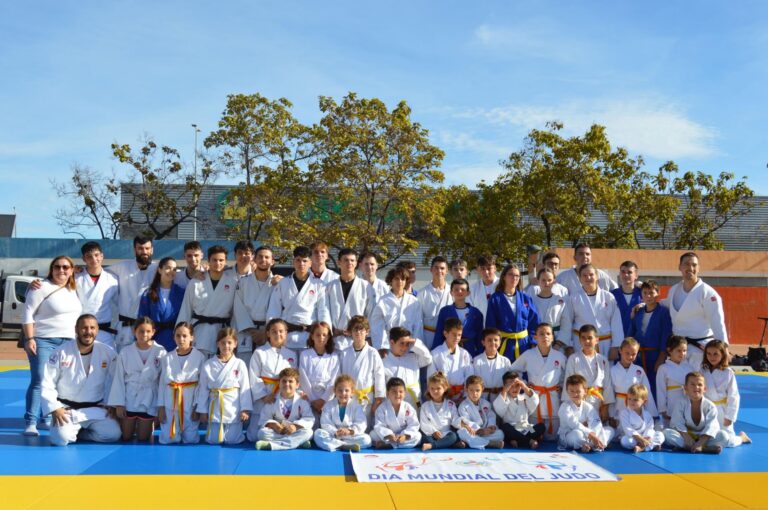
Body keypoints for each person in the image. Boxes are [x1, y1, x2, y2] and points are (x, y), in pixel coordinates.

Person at [22, 255, 83, 436]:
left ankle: (46, 417)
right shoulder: (40, 287)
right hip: (43, 340)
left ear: (72, 270)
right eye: (57, 267)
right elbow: (27, 314)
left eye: (66, 267)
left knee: (59, 382)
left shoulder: (74, 289)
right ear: (51, 269)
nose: (61, 270)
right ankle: (31, 421)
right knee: (39, 379)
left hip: (69, 341)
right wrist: (30, 339)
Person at [40, 314, 121, 446]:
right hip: (67, 409)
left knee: (113, 435)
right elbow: (47, 382)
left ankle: (81, 434)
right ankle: (71, 431)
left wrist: (113, 403)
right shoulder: (61, 352)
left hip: (95, 408)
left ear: (97, 330)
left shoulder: (107, 352)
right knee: (60, 440)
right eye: (84, 328)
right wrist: (55, 408)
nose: (88, 332)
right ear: (76, 329)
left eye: (92, 328)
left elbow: (117, 380)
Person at [663, 252, 728, 369]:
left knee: (698, 385)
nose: (690, 268)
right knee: (675, 384)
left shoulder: (708, 293)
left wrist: (724, 349)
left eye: (694, 265)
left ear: (699, 268)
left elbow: (717, 322)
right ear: (680, 267)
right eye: (686, 264)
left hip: (700, 350)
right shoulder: (673, 290)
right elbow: (664, 305)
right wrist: (644, 304)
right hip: (677, 349)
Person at [108, 317, 166, 441]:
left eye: (148, 331)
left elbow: (162, 382)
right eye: (141, 331)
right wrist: (119, 404)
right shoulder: (125, 352)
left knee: (143, 438)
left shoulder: (160, 352)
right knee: (126, 436)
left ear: (153, 332)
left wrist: (161, 406)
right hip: (130, 398)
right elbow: (119, 379)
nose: (144, 334)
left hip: (149, 399)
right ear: (135, 332)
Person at [177, 245, 238, 358]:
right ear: (208, 261)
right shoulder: (196, 282)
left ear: (225, 262)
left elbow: (235, 312)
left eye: (221, 260)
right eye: (214, 260)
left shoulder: (232, 283)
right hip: (199, 331)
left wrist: (233, 334)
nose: (218, 263)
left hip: (222, 331)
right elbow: (186, 309)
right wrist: (181, 334)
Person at [266, 246, 331, 351]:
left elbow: (324, 311)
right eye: (298, 260)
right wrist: (273, 333)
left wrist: (324, 334)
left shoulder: (319, 285)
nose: (301, 264)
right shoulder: (283, 283)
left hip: (310, 337)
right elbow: (274, 309)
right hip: (287, 336)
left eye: (305, 261)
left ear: (310, 263)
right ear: (293, 262)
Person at [510, 323, 567, 438]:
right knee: (534, 435)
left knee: (553, 439)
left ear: (552, 337)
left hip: (553, 398)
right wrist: (524, 385)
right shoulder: (528, 355)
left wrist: (560, 386)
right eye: (541, 334)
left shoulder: (559, 356)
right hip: (534, 398)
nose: (545, 336)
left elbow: (567, 375)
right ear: (535, 337)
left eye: (548, 334)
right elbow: (514, 370)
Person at [196, 328, 252, 445]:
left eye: (229, 342)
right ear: (217, 344)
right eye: (223, 343)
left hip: (234, 407)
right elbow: (203, 390)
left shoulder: (239, 364)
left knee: (233, 440)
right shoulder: (209, 364)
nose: (226, 346)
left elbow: (245, 388)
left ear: (236, 344)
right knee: (214, 440)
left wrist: (245, 409)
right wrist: (202, 411)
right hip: (215, 405)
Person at [246, 318, 297, 442]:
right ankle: (282, 438)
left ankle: (282, 435)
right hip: (264, 397)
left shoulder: (291, 354)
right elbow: (254, 377)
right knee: (254, 436)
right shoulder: (259, 352)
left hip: (283, 396)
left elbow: (294, 378)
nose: (278, 334)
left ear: (286, 333)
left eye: (281, 331)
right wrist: (264, 396)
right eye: (274, 331)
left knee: (283, 423)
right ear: (268, 333)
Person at [560, 263, 624, 359]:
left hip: (604, 343)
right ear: (580, 278)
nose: (588, 278)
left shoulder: (608, 297)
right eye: (584, 275)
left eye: (591, 275)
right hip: (581, 342)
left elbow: (616, 322)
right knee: (582, 372)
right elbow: (567, 322)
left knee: (605, 372)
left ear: (597, 276)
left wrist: (615, 346)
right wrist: (569, 345)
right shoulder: (574, 297)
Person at [156, 322, 206, 444]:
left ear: (192, 337)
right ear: (173, 337)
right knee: (168, 439)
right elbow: (162, 384)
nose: (181, 339)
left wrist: (198, 407)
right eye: (178, 336)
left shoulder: (199, 357)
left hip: (190, 402)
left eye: (185, 336)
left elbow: (202, 385)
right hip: (170, 402)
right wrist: (161, 408)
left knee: (191, 440)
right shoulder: (167, 358)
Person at [108, 236, 158, 351]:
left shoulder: (158, 269)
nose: (144, 252)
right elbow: (98, 272)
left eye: (147, 248)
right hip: (126, 327)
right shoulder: (122, 267)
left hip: (147, 328)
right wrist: (78, 270)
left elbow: (179, 275)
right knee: (123, 363)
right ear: (134, 250)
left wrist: (201, 270)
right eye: (140, 248)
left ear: (152, 250)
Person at [484, 264, 539, 363]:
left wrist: (533, 342)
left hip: (524, 344)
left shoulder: (526, 298)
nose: (514, 278)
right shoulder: (495, 299)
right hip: (504, 345)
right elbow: (491, 324)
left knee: (524, 374)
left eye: (517, 276)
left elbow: (534, 322)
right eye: (511, 275)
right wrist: (494, 343)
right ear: (504, 277)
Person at [662, 372, 728, 454]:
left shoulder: (710, 406)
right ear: (685, 388)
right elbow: (677, 422)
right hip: (687, 435)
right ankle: (704, 449)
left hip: (704, 437)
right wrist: (686, 436)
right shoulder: (681, 403)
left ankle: (688, 447)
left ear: (705, 389)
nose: (696, 387)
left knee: (723, 436)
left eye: (700, 384)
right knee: (666, 433)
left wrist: (701, 442)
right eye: (692, 384)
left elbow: (712, 426)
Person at [233, 245, 277, 364]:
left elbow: (279, 310)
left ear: (272, 261)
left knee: (266, 367)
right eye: (260, 257)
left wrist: (265, 332)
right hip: (246, 332)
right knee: (244, 365)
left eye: (267, 257)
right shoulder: (243, 282)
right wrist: (253, 331)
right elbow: (238, 308)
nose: (263, 260)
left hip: (268, 332)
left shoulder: (278, 284)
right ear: (254, 259)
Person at [701, 340, 751, 447]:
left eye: (715, 354)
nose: (712, 357)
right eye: (708, 354)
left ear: (723, 354)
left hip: (722, 410)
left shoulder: (728, 372)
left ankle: (741, 438)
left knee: (727, 441)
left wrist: (730, 417)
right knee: (706, 437)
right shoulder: (702, 370)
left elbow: (734, 396)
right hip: (706, 409)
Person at [563, 325, 615, 424]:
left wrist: (605, 407)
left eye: (590, 338)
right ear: (579, 340)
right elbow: (568, 383)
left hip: (598, 401)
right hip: (580, 400)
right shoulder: (573, 359)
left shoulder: (603, 360)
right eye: (583, 338)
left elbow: (607, 385)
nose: (587, 341)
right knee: (581, 431)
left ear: (597, 340)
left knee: (598, 431)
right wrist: (573, 407)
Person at [325, 248, 376, 351]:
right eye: (346, 260)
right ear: (339, 262)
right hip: (335, 339)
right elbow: (325, 312)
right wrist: (329, 331)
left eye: (352, 260)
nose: (349, 263)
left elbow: (370, 314)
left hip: (357, 339)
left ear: (356, 263)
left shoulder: (366, 287)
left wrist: (368, 336)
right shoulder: (330, 286)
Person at [339, 315, 386, 425]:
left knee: (364, 427)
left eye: (361, 329)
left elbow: (379, 377)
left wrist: (378, 400)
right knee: (348, 425)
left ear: (367, 332)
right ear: (350, 332)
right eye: (355, 329)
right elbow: (339, 376)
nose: (358, 332)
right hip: (348, 397)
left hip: (365, 399)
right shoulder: (344, 353)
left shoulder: (373, 353)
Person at [628, 280, 672, 393]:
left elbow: (666, 336)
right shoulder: (638, 312)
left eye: (651, 293)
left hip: (655, 356)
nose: (648, 296)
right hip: (638, 356)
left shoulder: (663, 312)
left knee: (654, 387)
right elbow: (630, 335)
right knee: (638, 387)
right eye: (645, 293)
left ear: (658, 293)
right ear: (641, 295)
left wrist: (662, 357)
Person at [255, 367, 315, 450]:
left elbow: (309, 418)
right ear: (279, 383)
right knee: (262, 433)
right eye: (284, 381)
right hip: (279, 431)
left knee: (309, 432)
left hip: (294, 431)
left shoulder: (302, 400)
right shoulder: (273, 400)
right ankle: (298, 442)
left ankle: (272, 445)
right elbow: (264, 419)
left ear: (297, 385)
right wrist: (275, 425)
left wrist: (295, 426)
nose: (287, 384)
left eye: (290, 381)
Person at [75, 241, 119, 348]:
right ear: (84, 259)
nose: (94, 259)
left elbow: (120, 304)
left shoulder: (112, 279)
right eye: (89, 256)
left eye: (96, 255)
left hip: (104, 330)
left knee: (108, 361)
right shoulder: (76, 278)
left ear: (102, 256)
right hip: (82, 331)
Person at [313, 375, 372, 452]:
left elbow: (361, 423)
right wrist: (335, 432)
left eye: (346, 390)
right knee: (318, 433)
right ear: (335, 391)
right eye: (340, 390)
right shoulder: (328, 405)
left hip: (349, 436)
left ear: (352, 392)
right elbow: (325, 423)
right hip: (334, 435)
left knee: (367, 439)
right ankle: (345, 445)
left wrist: (350, 431)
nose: (343, 393)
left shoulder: (356, 405)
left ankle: (337, 445)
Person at [370, 267, 424, 350]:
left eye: (403, 279)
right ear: (391, 280)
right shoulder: (383, 302)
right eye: (396, 279)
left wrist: (415, 347)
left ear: (406, 281)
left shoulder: (414, 301)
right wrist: (382, 348)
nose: (400, 282)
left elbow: (418, 325)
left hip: (408, 346)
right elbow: (377, 327)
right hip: (389, 346)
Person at [138, 257, 185, 352]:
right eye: (168, 268)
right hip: (153, 339)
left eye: (174, 269)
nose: (171, 271)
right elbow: (142, 319)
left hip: (174, 340)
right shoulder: (148, 293)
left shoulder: (181, 293)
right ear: (160, 270)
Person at [557, 374, 615, 452]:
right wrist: (590, 434)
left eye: (578, 391)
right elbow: (574, 424)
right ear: (567, 391)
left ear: (585, 391)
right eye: (572, 391)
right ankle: (598, 444)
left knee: (610, 430)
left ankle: (590, 445)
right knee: (577, 434)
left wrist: (594, 435)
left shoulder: (588, 406)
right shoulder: (564, 407)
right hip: (569, 434)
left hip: (588, 435)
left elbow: (595, 423)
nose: (575, 394)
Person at [299, 321, 340, 425]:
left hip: (327, 398)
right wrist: (313, 400)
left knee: (327, 426)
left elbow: (334, 380)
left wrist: (323, 400)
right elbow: (303, 378)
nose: (321, 338)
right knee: (310, 427)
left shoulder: (334, 356)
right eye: (318, 334)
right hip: (309, 397)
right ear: (312, 336)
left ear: (329, 337)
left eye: (324, 335)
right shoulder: (305, 355)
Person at [382, 327, 432, 408]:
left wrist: (415, 342)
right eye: (402, 343)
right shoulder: (384, 363)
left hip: (415, 399)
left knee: (416, 418)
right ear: (392, 342)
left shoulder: (413, 357)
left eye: (407, 344)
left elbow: (428, 359)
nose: (405, 347)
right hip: (395, 402)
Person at [493, 371, 545, 449]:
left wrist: (525, 387)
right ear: (505, 387)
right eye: (511, 386)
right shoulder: (503, 398)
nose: (514, 389)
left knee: (541, 426)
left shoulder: (524, 396)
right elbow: (499, 408)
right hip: (512, 429)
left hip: (526, 428)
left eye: (517, 385)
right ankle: (530, 441)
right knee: (505, 428)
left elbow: (534, 401)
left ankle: (516, 440)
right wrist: (504, 391)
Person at [432, 278, 484, 356]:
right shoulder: (445, 311)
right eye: (456, 289)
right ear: (451, 292)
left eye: (463, 289)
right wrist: (435, 352)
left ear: (468, 292)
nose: (459, 292)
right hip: (449, 349)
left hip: (470, 349)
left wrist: (481, 353)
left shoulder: (476, 312)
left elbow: (480, 335)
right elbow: (439, 333)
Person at [610, 338, 658, 420]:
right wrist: (610, 415)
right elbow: (609, 393)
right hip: (618, 408)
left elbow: (647, 392)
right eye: (627, 353)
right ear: (620, 350)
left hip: (636, 408)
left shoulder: (639, 370)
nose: (630, 356)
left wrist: (651, 413)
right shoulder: (612, 370)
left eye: (633, 354)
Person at [428, 318, 473, 402]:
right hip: (442, 397)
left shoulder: (465, 354)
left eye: (459, 335)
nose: (457, 338)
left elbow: (469, 376)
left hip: (462, 396)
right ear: (445, 333)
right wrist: (441, 395)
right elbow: (431, 378)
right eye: (454, 334)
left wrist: (465, 395)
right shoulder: (435, 354)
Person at [371, 377, 422, 449]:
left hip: (402, 437)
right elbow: (379, 425)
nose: (398, 394)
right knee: (373, 434)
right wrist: (388, 434)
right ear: (387, 393)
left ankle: (391, 445)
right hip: (389, 436)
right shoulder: (382, 408)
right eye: (394, 391)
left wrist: (405, 435)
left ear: (405, 393)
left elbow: (414, 424)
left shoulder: (408, 407)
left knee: (418, 436)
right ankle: (397, 445)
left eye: (400, 391)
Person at [456, 375, 505, 449]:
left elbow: (491, 416)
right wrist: (480, 430)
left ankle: (471, 442)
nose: (474, 393)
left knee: (500, 434)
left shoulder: (486, 404)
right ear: (466, 389)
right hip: (473, 431)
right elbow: (466, 421)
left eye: (477, 390)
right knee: (462, 433)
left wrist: (490, 427)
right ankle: (489, 443)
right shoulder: (463, 406)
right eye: (471, 390)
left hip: (485, 431)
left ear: (482, 389)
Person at [656, 336, 695, 426]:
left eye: (684, 351)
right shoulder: (663, 368)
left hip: (686, 401)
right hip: (671, 401)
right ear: (669, 350)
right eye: (679, 350)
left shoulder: (690, 368)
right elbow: (660, 390)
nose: (682, 353)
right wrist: (662, 408)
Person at [530, 268, 572, 353]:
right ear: (538, 281)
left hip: (557, 342)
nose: (547, 283)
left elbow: (566, 324)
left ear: (554, 282)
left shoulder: (560, 301)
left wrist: (558, 344)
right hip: (537, 342)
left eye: (549, 280)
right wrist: (534, 343)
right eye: (543, 280)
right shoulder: (532, 301)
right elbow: (530, 324)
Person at [419, 372, 463, 451]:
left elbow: (455, 420)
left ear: (445, 388)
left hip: (445, 433)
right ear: (428, 389)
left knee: (453, 436)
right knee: (424, 437)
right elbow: (424, 423)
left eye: (438, 388)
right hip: (431, 434)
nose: (435, 391)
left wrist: (463, 424)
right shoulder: (425, 406)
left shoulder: (450, 404)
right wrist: (434, 432)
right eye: (432, 388)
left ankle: (432, 445)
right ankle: (446, 444)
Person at [418, 256, 453, 349]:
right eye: (436, 268)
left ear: (447, 271)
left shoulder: (453, 291)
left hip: (447, 336)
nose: (439, 271)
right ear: (431, 270)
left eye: (442, 268)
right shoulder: (422, 293)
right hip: (428, 335)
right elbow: (418, 319)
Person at [618, 383, 664, 453]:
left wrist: (647, 438)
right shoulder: (624, 413)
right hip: (633, 437)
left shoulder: (647, 414)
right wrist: (641, 439)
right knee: (625, 441)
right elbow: (628, 429)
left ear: (644, 401)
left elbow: (650, 428)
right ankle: (651, 446)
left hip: (645, 437)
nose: (631, 402)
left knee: (660, 435)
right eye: (629, 399)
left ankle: (641, 448)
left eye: (635, 400)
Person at [472, 328, 512, 401]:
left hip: (501, 397)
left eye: (496, 340)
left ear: (500, 343)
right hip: (482, 398)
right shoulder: (476, 361)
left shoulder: (505, 361)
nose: (493, 342)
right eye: (489, 340)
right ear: (483, 342)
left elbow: (509, 382)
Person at [610, 261, 643, 338]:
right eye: (623, 272)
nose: (626, 275)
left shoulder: (643, 294)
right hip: (617, 340)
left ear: (636, 275)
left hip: (639, 341)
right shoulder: (611, 295)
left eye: (629, 272)